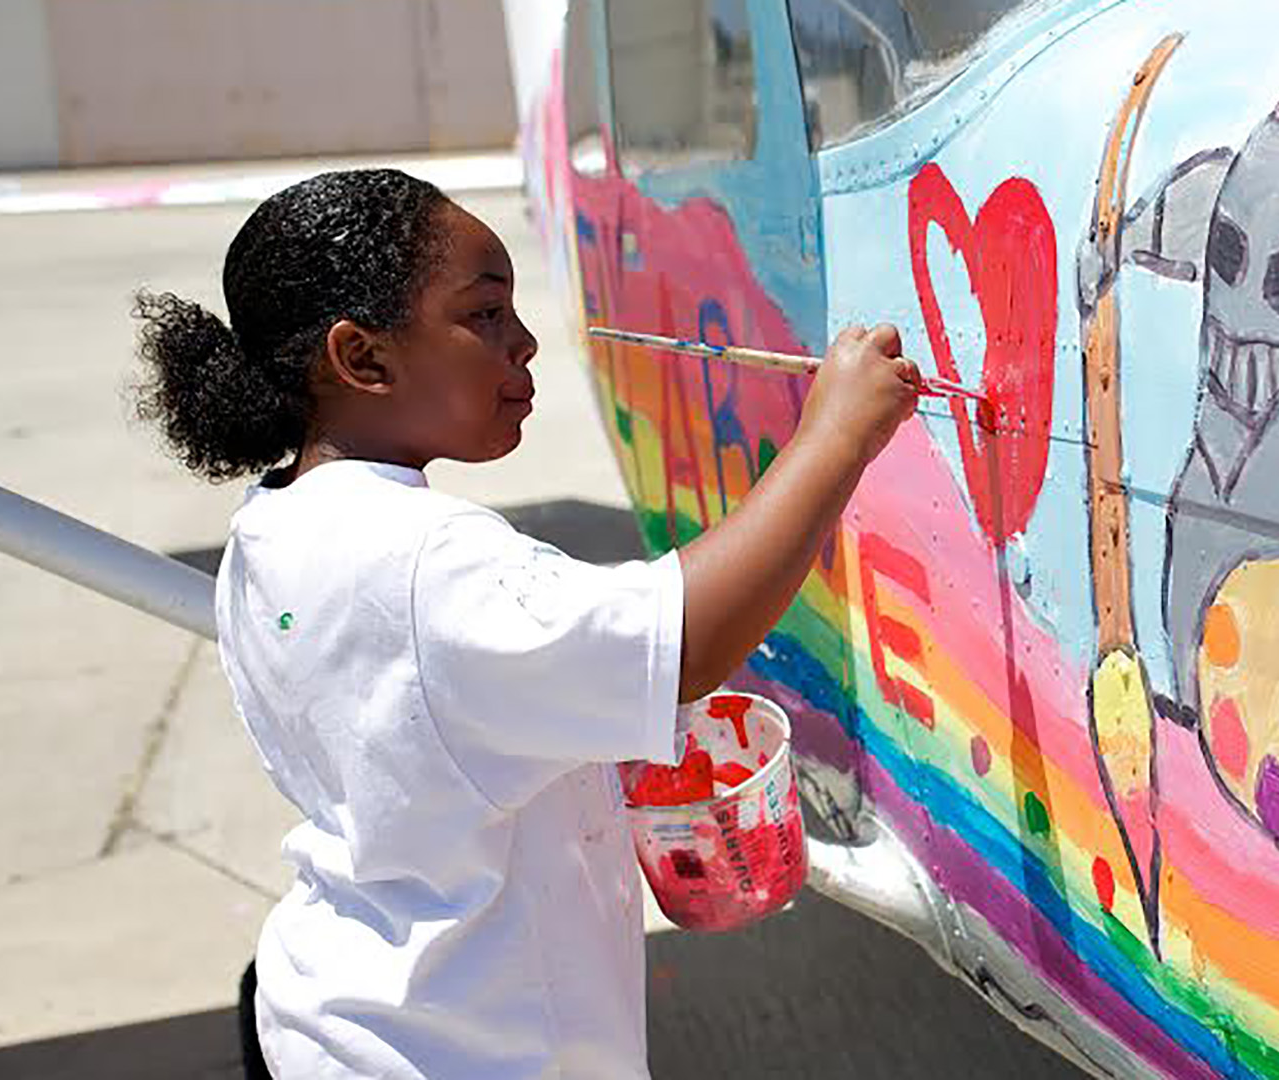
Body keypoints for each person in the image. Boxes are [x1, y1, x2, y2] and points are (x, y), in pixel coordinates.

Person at [132, 168, 918, 1078]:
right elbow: (685, 640)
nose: (526, 341)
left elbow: (419, 721)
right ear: (364, 359)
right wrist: (837, 433)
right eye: (486, 314)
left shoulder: (273, 525)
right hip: (457, 1052)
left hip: (338, 1023)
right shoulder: (426, 563)